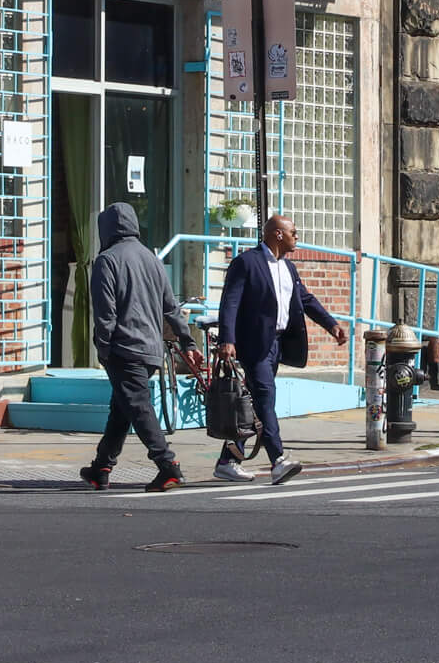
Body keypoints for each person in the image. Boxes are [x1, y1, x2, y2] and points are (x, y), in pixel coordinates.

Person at [79, 202, 202, 492]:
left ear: (105, 228)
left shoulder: (107, 261)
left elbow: (105, 313)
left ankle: (167, 465)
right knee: (122, 408)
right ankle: (101, 468)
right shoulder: (151, 259)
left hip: (124, 348)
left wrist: (103, 346)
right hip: (150, 349)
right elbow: (171, 308)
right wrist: (188, 341)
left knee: (138, 406)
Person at [214, 215, 346, 485]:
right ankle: (278, 460)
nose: (297, 237)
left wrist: (331, 325)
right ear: (277, 234)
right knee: (265, 397)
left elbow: (306, 300)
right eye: (293, 233)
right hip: (253, 345)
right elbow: (230, 302)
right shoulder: (246, 263)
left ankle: (228, 461)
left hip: (277, 344)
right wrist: (227, 339)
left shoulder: (289, 268)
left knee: (256, 403)